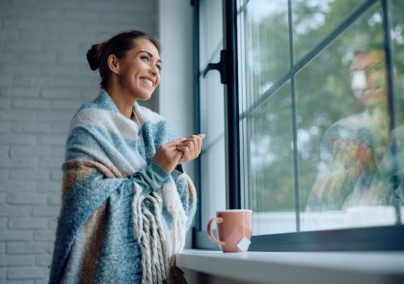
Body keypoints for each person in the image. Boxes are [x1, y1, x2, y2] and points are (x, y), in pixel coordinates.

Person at [48, 30, 203, 284]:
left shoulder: (158, 128)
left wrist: (175, 169)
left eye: (159, 65)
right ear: (114, 63)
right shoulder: (89, 123)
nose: (155, 71)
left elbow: (177, 214)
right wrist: (156, 172)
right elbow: (83, 205)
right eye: (145, 59)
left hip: (154, 271)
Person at [306, 48, 403, 215]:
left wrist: (372, 172)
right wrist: (347, 173)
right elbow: (316, 209)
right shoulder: (342, 132)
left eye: (374, 69)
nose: (364, 81)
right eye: (355, 76)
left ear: (394, 73)